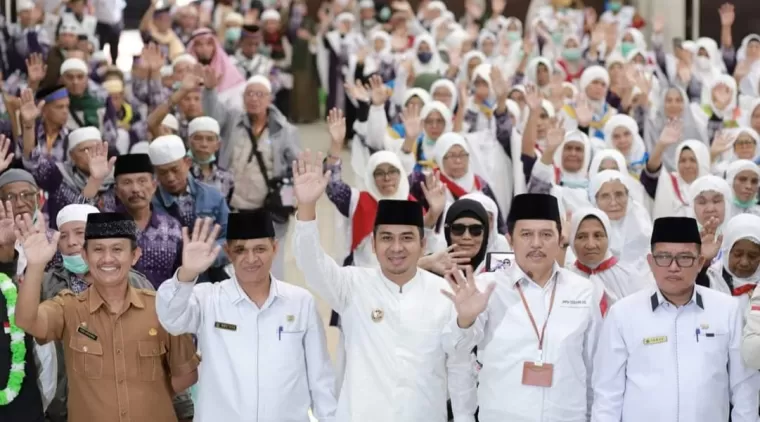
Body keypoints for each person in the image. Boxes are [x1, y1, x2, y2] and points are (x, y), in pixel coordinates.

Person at [291, 150, 475, 422]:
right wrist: (306, 208)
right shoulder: (353, 285)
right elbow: (311, 262)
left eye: (407, 238)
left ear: (423, 244)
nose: (397, 248)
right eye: (387, 238)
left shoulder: (445, 295)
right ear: (374, 244)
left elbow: (460, 369)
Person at [14, 212, 200, 422]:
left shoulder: (162, 309)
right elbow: (26, 321)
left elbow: (187, 374)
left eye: (117, 249)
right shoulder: (69, 307)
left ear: (135, 255)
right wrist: (36, 265)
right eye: (98, 250)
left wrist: (148, 396)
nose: (107, 258)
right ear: (85, 256)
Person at [157, 212, 337, 421]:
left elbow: (320, 379)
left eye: (260, 249)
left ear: (275, 248)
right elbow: (171, 319)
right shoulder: (208, 298)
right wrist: (187, 273)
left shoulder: (300, 302)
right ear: (228, 252)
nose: (251, 259)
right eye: (240, 250)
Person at [442, 193, 602, 421]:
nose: (536, 243)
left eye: (546, 234)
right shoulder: (486, 288)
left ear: (559, 239)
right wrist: (464, 321)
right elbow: (457, 354)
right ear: (510, 239)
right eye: (526, 234)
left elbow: (595, 367)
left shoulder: (583, 290)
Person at [592, 216, 760, 421]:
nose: (673, 267)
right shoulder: (623, 314)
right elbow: (607, 394)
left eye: (684, 258)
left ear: (699, 263)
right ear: (650, 262)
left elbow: (744, 386)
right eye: (663, 257)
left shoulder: (726, 309)